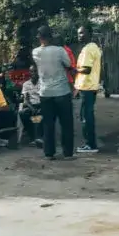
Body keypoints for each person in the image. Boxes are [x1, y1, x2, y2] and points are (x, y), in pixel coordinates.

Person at [32, 25, 75, 160]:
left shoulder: (35, 52)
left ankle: (49, 153)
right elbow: (68, 64)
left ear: (39, 38)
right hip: (62, 91)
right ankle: (67, 153)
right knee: (66, 123)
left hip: (45, 93)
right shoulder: (60, 50)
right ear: (51, 37)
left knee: (48, 124)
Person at [74, 25, 102, 154]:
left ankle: (90, 144)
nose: (79, 36)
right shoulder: (94, 47)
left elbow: (86, 69)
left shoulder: (88, 49)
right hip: (90, 86)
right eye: (78, 33)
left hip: (87, 87)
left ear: (89, 33)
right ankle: (91, 143)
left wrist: (73, 69)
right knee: (87, 115)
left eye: (82, 33)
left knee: (86, 117)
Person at [19, 64, 43, 145]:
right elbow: (26, 99)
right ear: (29, 72)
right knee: (22, 113)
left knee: (38, 115)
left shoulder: (42, 83)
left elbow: (45, 97)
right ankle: (33, 136)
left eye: (35, 71)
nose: (33, 73)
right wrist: (32, 108)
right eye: (32, 71)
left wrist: (40, 107)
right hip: (31, 105)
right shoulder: (26, 84)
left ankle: (37, 138)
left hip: (41, 104)